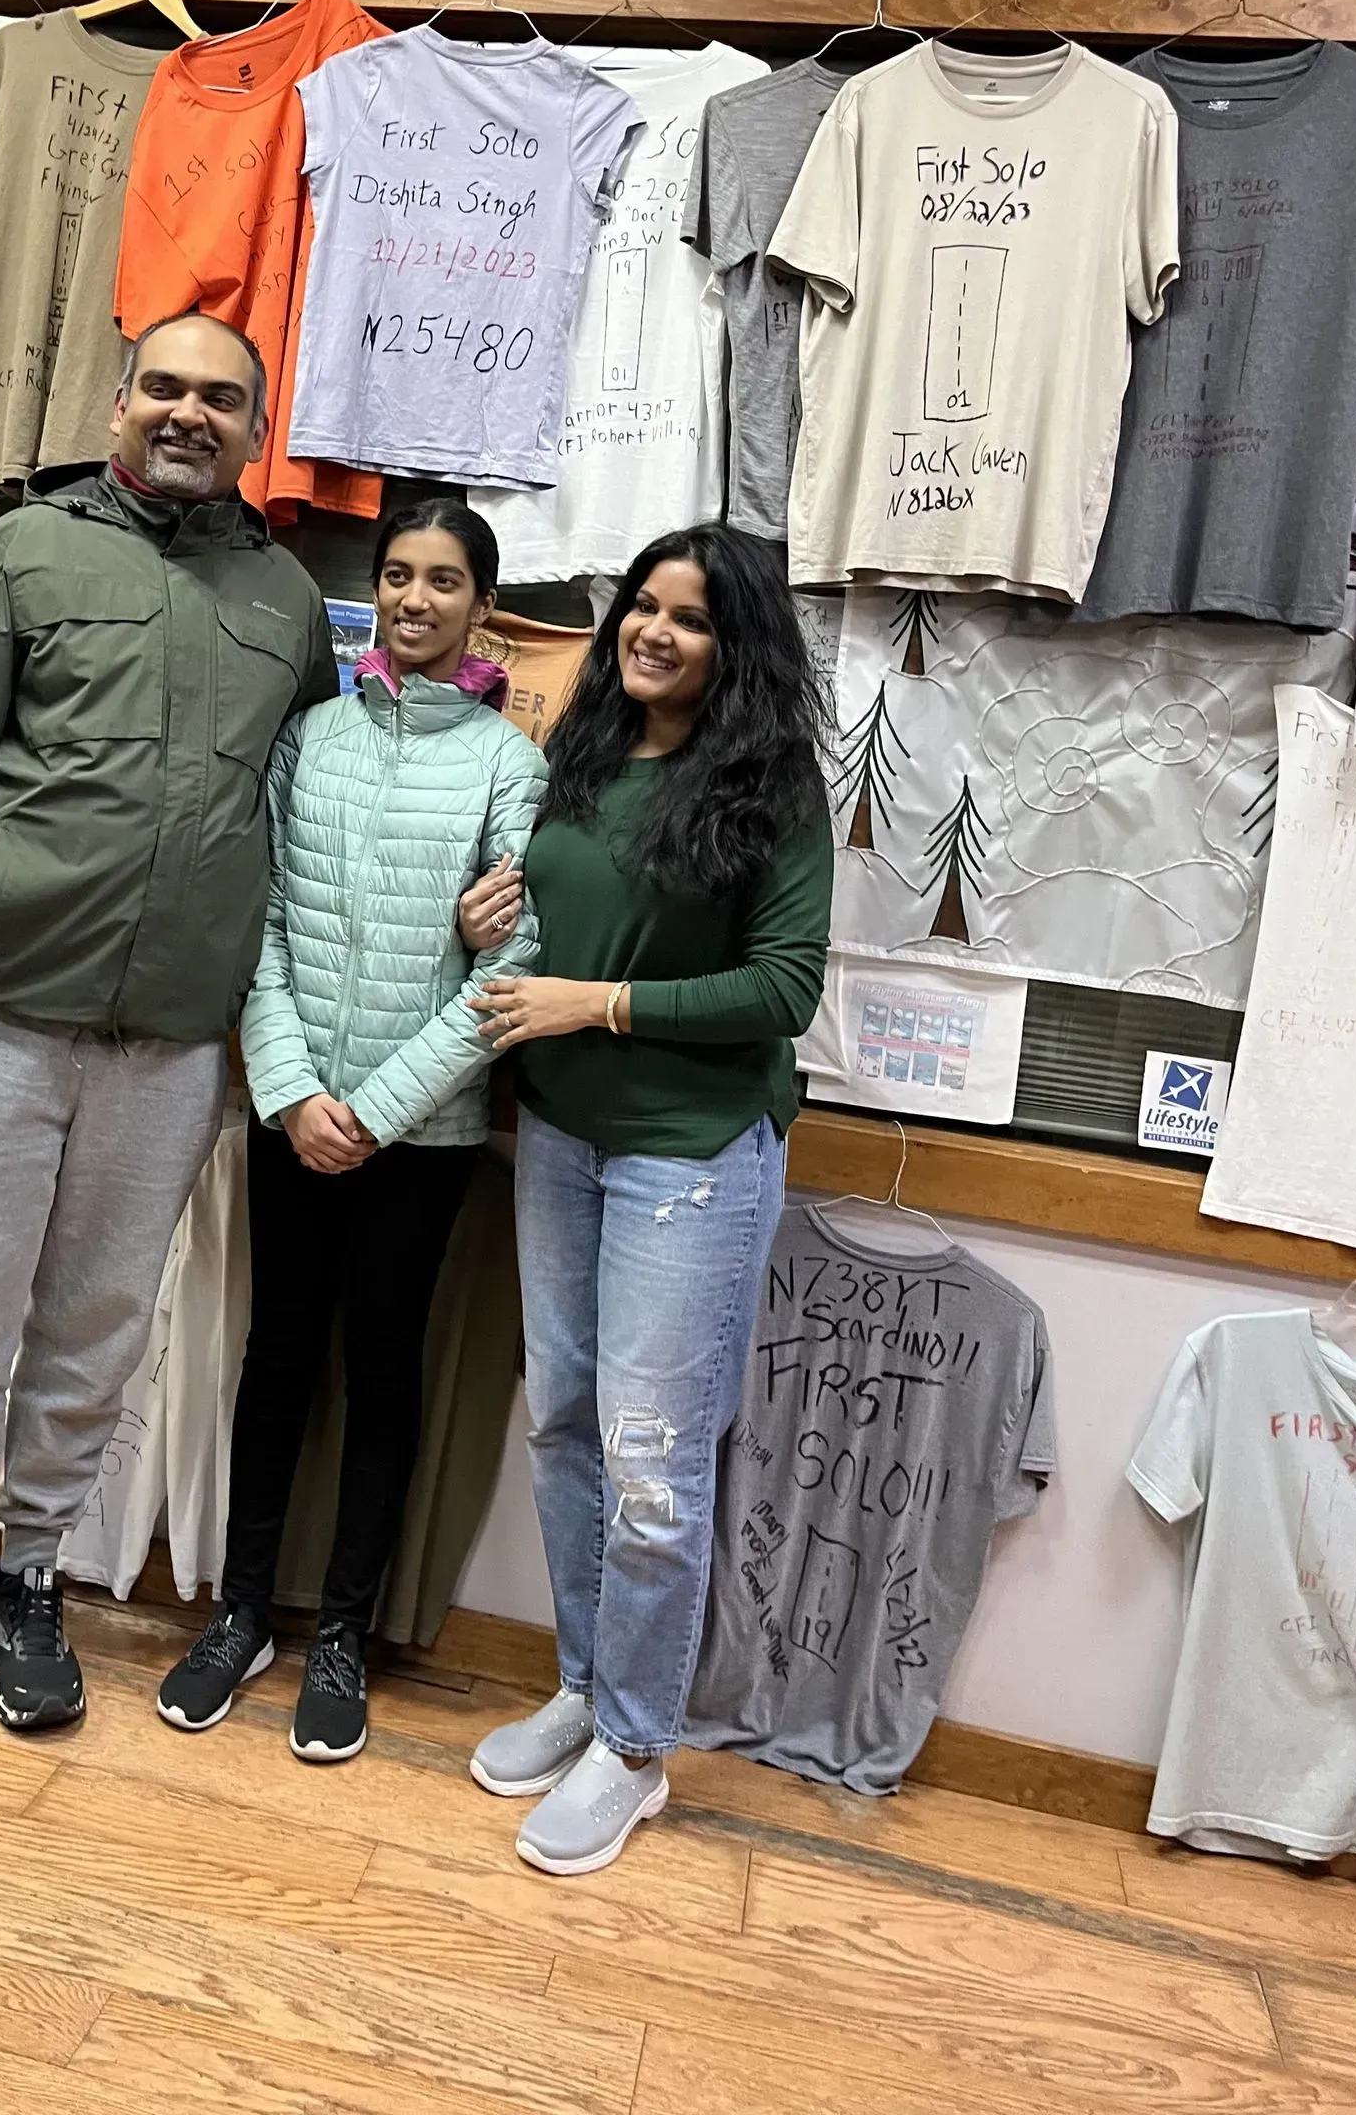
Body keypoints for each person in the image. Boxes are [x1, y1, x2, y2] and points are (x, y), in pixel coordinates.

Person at [0, 310, 338, 1751]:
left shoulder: (288, 606)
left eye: (220, 398)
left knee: (99, 1330)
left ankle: (30, 1581)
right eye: (163, 387)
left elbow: (303, 813)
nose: (188, 412)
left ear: (255, 427)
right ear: (120, 403)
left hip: (174, 1042)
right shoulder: (27, 556)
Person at [459, 525, 831, 1875]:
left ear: (738, 646)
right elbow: (565, 922)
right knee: (562, 1421)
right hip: (562, 1133)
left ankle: (634, 1749)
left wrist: (594, 1006)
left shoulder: (775, 785)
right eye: (643, 607)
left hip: (693, 1151)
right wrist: (493, 923)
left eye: (691, 618)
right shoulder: (590, 752)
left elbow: (785, 992)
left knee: (655, 1466)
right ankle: (582, 1683)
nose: (654, 632)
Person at [155, 503, 546, 1763]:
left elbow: (514, 967)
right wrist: (290, 1089)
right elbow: (251, 917)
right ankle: (243, 1611)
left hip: (419, 1143)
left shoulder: (507, 764)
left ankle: (345, 1632)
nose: (416, 599)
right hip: (294, 1113)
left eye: (444, 581)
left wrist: (375, 1113)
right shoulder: (310, 736)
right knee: (276, 1358)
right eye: (396, 575)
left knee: (382, 1373)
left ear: (483, 605)